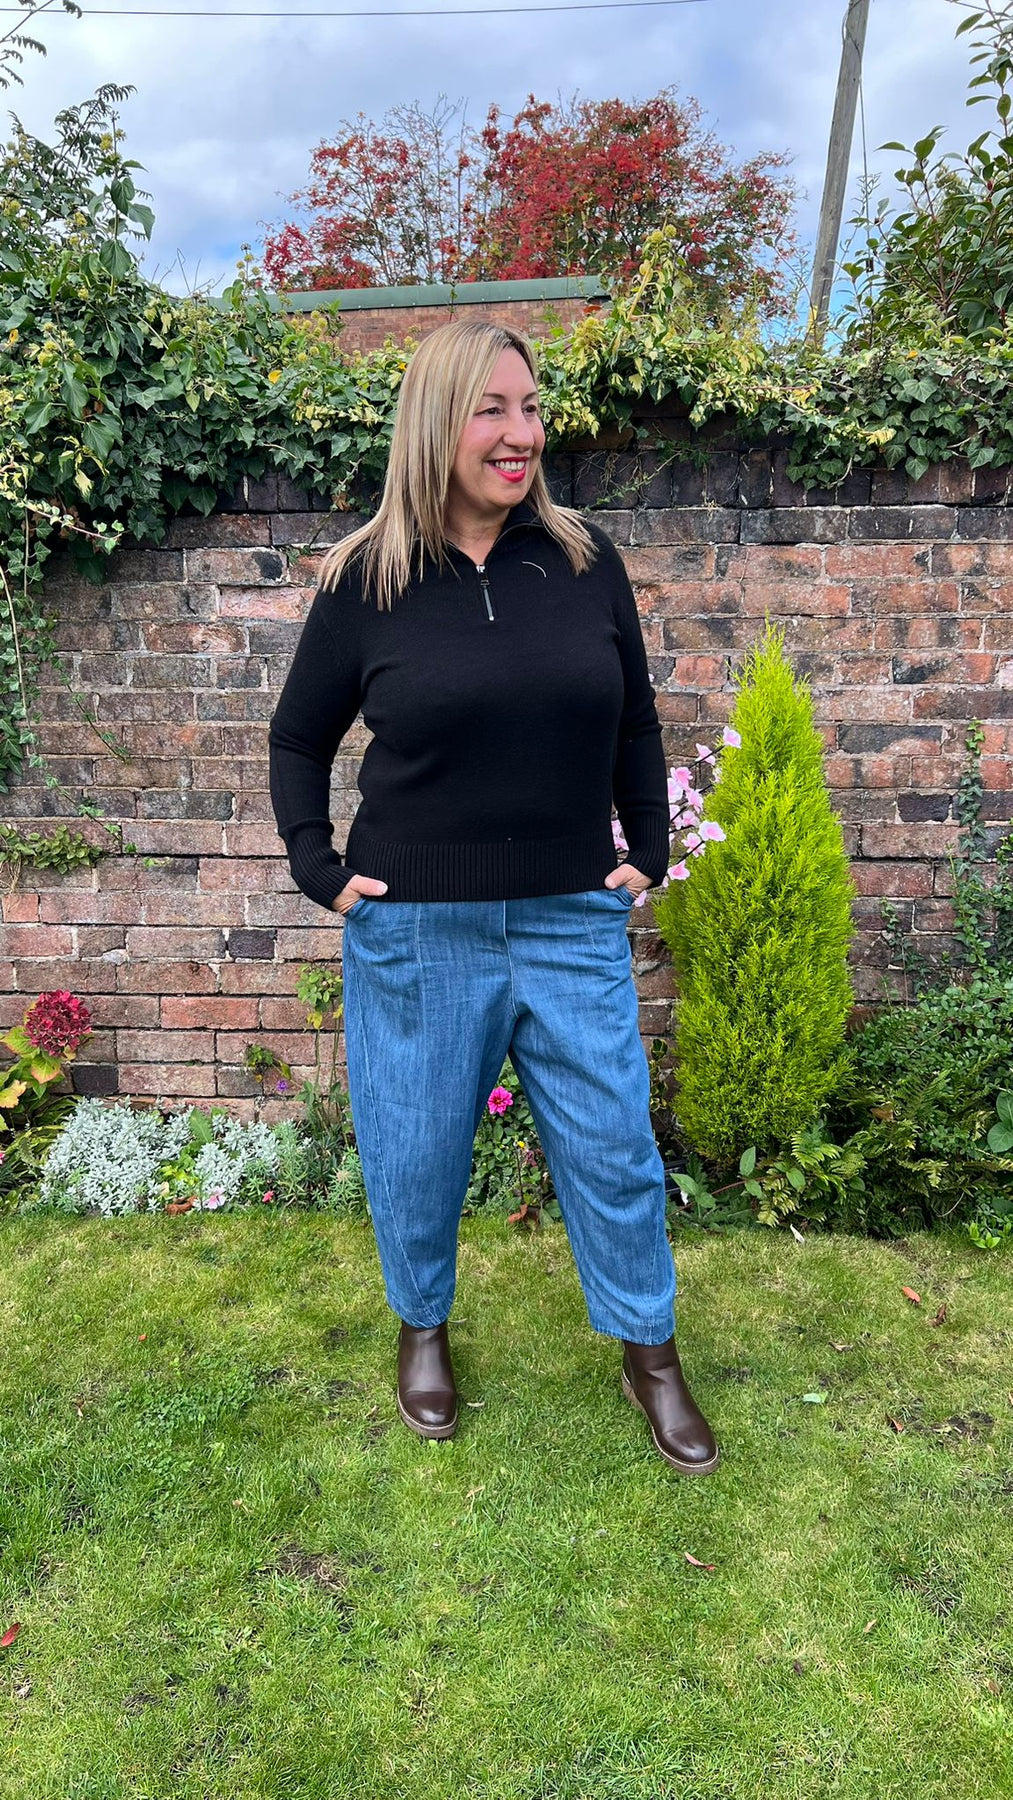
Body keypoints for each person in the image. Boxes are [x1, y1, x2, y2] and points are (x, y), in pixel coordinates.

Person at [267, 319, 719, 1476]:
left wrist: (646, 845)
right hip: (417, 925)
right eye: (492, 410)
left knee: (613, 1148)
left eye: (529, 407)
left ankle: (650, 1352)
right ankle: (421, 1327)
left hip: (568, 917)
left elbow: (631, 718)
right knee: (415, 1149)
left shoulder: (581, 562)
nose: (521, 434)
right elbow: (298, 738)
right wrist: (318, 866)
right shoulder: (366, 581)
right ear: (437, 423)